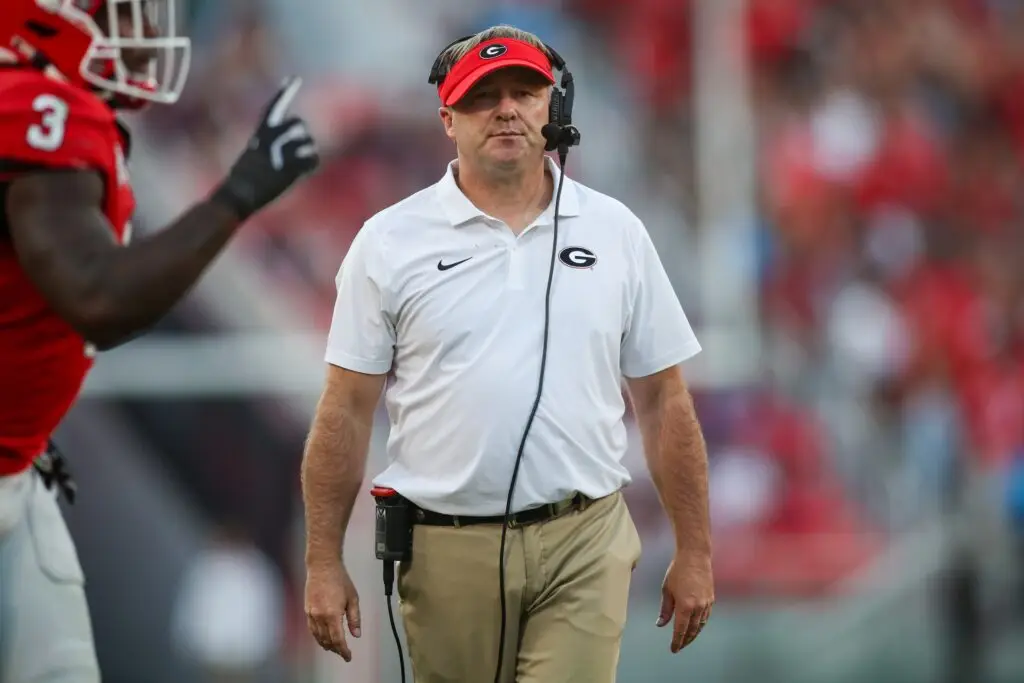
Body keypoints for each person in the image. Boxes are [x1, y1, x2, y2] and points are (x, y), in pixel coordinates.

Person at [301, 24, 713, 683]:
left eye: (524, 92)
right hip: (446, 546)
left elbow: (664, 398)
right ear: (447, 119)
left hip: (585, 537)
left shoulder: (618, 233)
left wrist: (695, 548)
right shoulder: (388, 243)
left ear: (554, 108)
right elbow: (346, 410)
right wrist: (324, 561)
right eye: (482, 97)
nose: (507, 109)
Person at [0, 2, 319, 681]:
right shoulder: (35, 110)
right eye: (121, 11)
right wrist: (236, 195)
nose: (147, 32)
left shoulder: (57, 110)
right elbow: (100, 298)